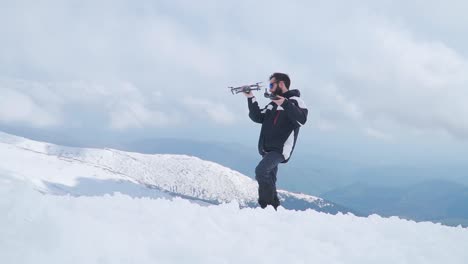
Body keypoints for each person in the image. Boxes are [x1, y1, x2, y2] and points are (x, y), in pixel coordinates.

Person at [244, 72, 308, 210]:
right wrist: (250, 97)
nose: (270, 88)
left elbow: (301, 120)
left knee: (261, 171)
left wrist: (284, 102)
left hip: (280, 149)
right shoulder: (272, 104)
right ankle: (274, 208)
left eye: (272, 85)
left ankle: (266, 206)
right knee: (270, 178)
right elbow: (258, 117)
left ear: (281, 84)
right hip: (267, 149)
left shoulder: (296, 101)